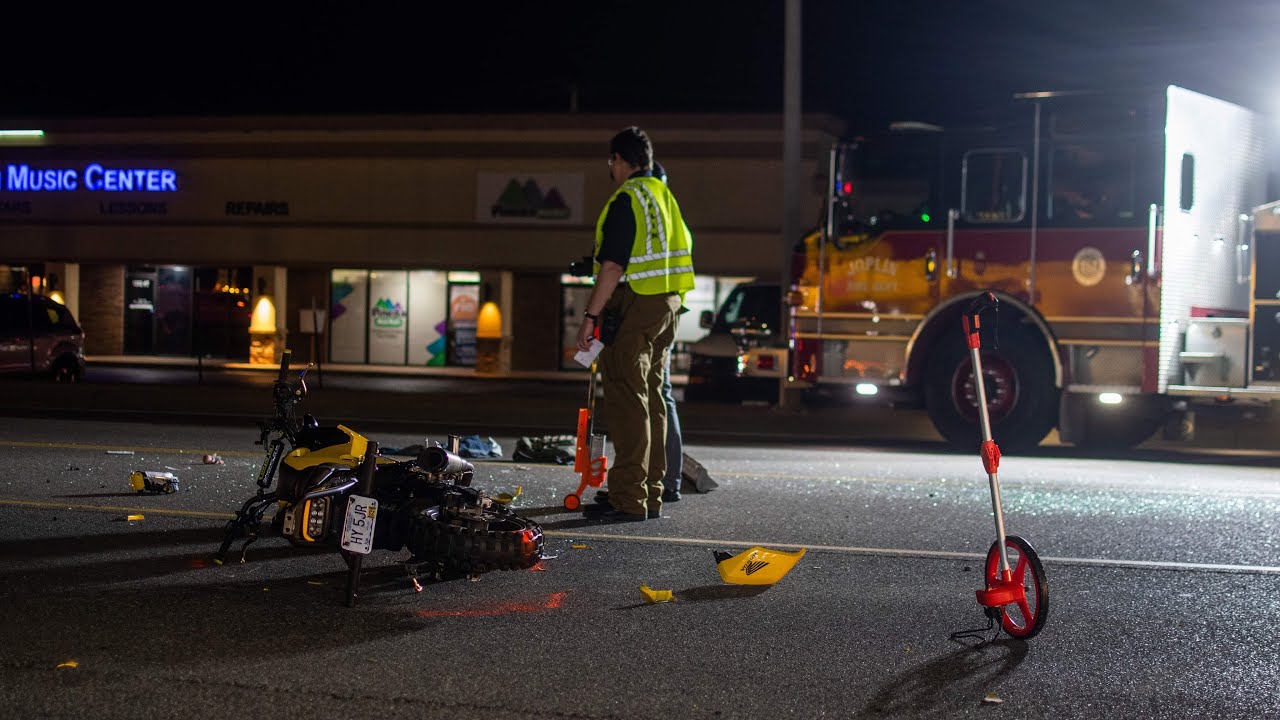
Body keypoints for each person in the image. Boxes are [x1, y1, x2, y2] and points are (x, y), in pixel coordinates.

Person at [576, 127, 695, 521]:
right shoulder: (663, 195)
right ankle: (650, 493)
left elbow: (612, 266)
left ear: (619, 161)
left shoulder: (627, 198)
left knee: (628, 400)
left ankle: (629, 498)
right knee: (653, 398)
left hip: (636, 303)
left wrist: (591, 316)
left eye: (611, 162)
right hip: (667, 305)